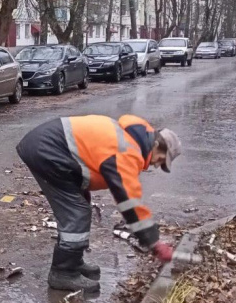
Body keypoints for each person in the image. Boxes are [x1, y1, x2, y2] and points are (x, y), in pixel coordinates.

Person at [16, 115, 182, 292]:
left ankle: (73, 262)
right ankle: (63, 273)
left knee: (79, 207)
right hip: (46, 150)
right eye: (161, 159)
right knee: (76, 213)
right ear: (156, 145)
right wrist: (154, 242)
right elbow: (129, 202)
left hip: (49, 147)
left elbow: (88, 156)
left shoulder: (129, 140)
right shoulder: (126, 151)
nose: (157, 165)